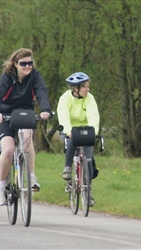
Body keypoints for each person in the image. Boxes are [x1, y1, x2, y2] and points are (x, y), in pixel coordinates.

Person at [0, 48, 51, 206]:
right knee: (9, 149)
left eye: (30, 63)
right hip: (4, 116)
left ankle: (31, 177)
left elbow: (41, 92)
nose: (27, 66)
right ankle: (1, 187)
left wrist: (45, 110)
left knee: (26, 136)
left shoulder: (35, 77)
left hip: (24, 114)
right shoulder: (7, 78)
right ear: (16, 64)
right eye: (23, 63)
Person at [57, 72, 100, 206]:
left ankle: (88, 192)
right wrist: (68, 131)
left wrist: (94, 132)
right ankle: (67, 168)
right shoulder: (65, 98)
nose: (88, 89)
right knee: (71, 141)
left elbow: (94, 115)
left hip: (86, 130)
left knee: (88, 160)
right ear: (76, 89)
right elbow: (63, 116)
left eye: (88, 86)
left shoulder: (90, 98)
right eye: (85, 87)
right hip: (69, 130)